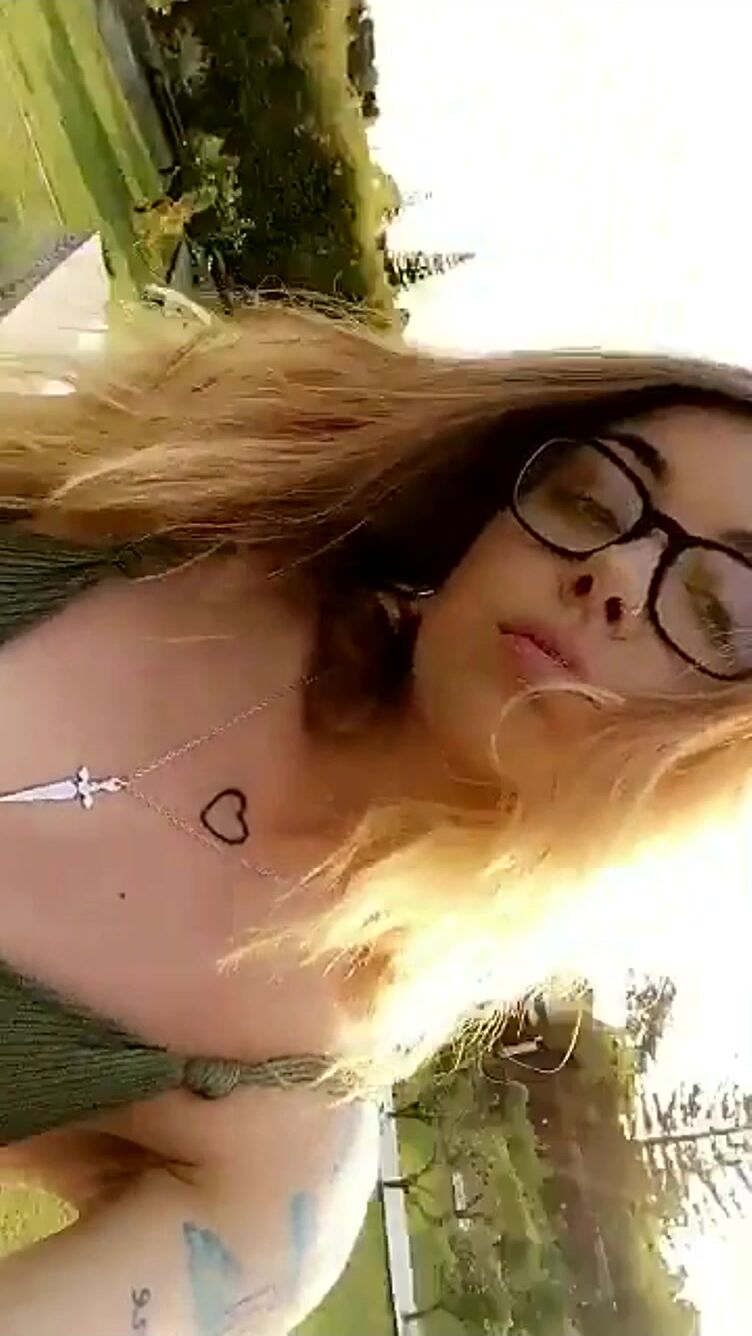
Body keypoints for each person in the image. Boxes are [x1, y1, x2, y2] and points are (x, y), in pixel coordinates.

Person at [0, 300, 751, 1333]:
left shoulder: (276, 1151)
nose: (615, 570)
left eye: (717, 610)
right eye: (595, 497)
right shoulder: (193, 495)